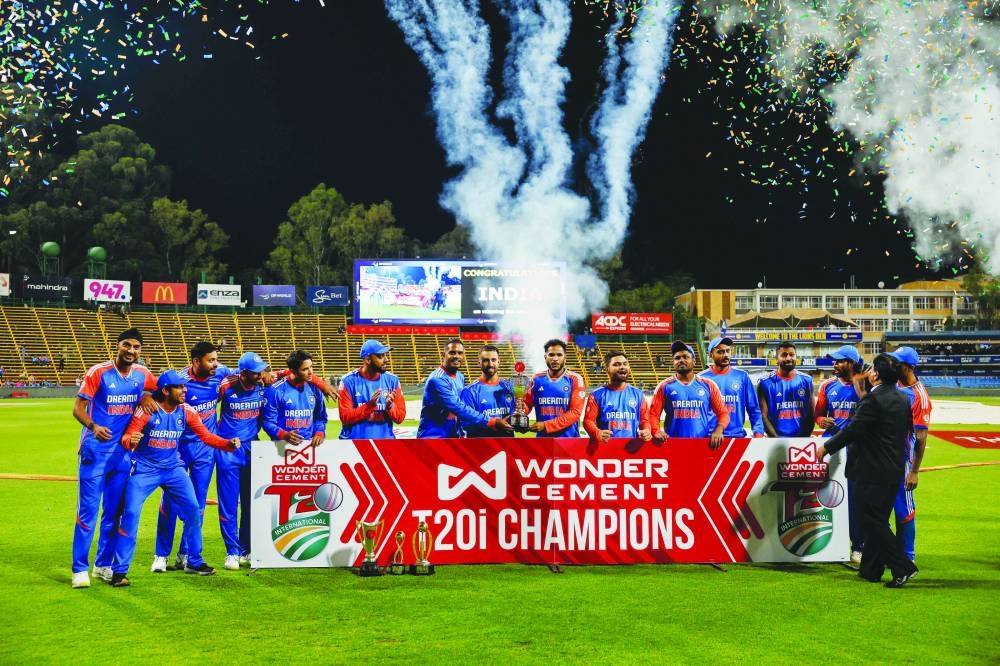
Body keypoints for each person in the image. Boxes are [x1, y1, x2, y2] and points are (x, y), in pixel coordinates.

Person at [111, 370, 241, 586]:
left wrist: (226, 444)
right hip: (144, 469)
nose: (184, 390)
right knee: (131, 513)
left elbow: (205, 436)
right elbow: (127, 436)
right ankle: (119, 571)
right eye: (179, 387)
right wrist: (130, 440)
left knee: (192, 509)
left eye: (184, 386)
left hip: (173, 469)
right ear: (165, 390)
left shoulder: (186, 411)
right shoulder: (147, 410)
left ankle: (194, 560)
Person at [817, 354, 919, 587]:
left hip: (871, 472)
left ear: (876, 375)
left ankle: (902, 566)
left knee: (868, 519)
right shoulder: (903, 399)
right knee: (878, 519)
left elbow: (853, 430)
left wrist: (827, 447)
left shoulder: (872, 401)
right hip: (893, 470)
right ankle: (871, 569)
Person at [70, 327, 157, 589]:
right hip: (95, 453)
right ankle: (79, 569)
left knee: (114, 513)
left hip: (122, 455)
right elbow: (78, 408)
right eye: (127, 346)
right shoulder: (98, 372)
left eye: (136, 347)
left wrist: (147, 396)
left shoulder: (142, 374)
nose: (131, 351)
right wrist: (94, 426)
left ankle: (102, 565)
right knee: (88, 511)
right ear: (117, 346)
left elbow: (157, 391)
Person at [153, 342, 232, 572]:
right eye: (211, 360)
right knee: (168, 503)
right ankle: (161, 555)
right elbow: (151, 391)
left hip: (205, 452)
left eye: (216, 360)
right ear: (196, 362)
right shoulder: (178, 382)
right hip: (176, 450)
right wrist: (147, 397)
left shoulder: (220, 375)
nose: (215, 364)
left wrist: (278, 373)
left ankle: (185, 555)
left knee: (197, 506)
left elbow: (248, 373)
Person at [214, 352, 269, 570]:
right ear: (243, 373)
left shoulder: (262, 385)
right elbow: (208, 406)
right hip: (228, 450)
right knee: (228, 504)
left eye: (262, 371)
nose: (260, 375)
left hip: (252, 448)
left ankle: (246, 549)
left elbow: (286, 373)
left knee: (250, 503)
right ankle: (231, 552)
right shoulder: (226, 384)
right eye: (256, 372)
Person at [815, 344, 867, 565]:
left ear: (852, 363)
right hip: (831, 448)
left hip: (857, 450)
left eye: (839, 361)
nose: (834, 365)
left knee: (855, 501)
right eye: (834, 361)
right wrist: (821, 420)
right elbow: (818, 414)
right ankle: (825, 543)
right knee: (824, 496)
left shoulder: (865, 385)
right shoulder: (827, 385)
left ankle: (858, 546)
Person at [888, 345, 932, 562]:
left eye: (896, 363)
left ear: (906, 367)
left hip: (902, 461)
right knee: (881, 508)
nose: (892, 365)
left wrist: (914, 471)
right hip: (884, 458)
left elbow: (921, 439)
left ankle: (908, 557)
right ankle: (888, 553)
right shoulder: (893, 385)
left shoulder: (919, 396)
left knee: (904, 509)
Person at [418, 339, 513, 438]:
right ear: (443, 355)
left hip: (452, 437)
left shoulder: (460, 376)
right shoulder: (437, 379)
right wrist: (492, 421)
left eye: (460, 353)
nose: (456, 356)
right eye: (452, 352)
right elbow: (459, 408)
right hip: (433, 438)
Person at [648, 340, 729, 449]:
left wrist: (719, 430)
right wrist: (656, 431)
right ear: (673, 362)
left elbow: (723, 413)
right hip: (672, 445)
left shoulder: (708, 385)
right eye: (677, 358)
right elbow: (653, 414)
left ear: (694, 361)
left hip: (703, 444)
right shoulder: (665, 386)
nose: (681, 360)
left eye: (686, 357)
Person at [698, 336, 765, 439]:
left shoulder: (742, 376)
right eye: (720, 352)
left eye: (728, 351)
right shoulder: (701, 378)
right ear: (711, 354)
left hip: (736, 437)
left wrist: (758, 433)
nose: (725, 355)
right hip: (708, 438)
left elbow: (754, 410)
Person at [339, 339, 406, 439]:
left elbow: (400, 418)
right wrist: (370, 405)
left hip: (385, 445)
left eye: (386, 355)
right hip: (354, 446)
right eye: (380, 356)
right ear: (368, 360)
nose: (386, 359)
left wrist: (390, 406)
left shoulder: (393, 380)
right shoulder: (348, 381)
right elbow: (345, 417)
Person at [262, 350, 328, 448]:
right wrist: (283, 435)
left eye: (311, 367)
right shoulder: (275, 390)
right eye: (305, 369)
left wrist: (319, 432)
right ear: (292, 371)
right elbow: (267, 422)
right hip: (281, 447)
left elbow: (320, 417)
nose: (311, 372)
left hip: (309, 446)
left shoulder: (315, 389)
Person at [521, 339, 586, 437]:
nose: (555, 358)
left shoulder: (575, 379)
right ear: (545, 357)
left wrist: (546, 425)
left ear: (565, 358)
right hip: (543, 440)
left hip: (569, 440)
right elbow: (527, 404)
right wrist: (520, 414)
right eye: (551, 355)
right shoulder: (536, 379)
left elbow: (575, 413)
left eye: (559, 355)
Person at [583, 350, 651, 442]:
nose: (622, 367)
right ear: (607, 369)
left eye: (625, 364)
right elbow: (588, 421)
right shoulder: (597, 395)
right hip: (605, 448)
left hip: (631, 448)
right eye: (616, 364)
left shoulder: (638, 394)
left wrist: (646, 430)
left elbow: (644, 421)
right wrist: (597, 432)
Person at [757, 341, 814, 437]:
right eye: (784, 355)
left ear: (796, 357)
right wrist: (776, 439)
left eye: (792, 355)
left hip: (802, 440)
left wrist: (804, 438)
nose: (788, 358)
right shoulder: (764, 383)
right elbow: (763, 416)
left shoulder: (807, 380)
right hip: (775, 440)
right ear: (776, 359)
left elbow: (811, 414)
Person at [460, 344, 516, 438]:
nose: (490, 364)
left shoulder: (510, 387)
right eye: (486, 360)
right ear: (479, 363)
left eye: (493, 360)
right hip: (482, 446)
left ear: (499, 362)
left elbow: (516, 413)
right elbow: (465, 423)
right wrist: (493, 425)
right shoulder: (469, 391)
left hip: (508, 444)